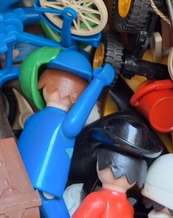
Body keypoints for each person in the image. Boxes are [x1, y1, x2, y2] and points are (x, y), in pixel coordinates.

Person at [17, 49, 115, 218]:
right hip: (45, 185)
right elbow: (80, 113)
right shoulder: (65, 124)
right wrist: (99, 82)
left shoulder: (33, 118)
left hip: (18, 180)